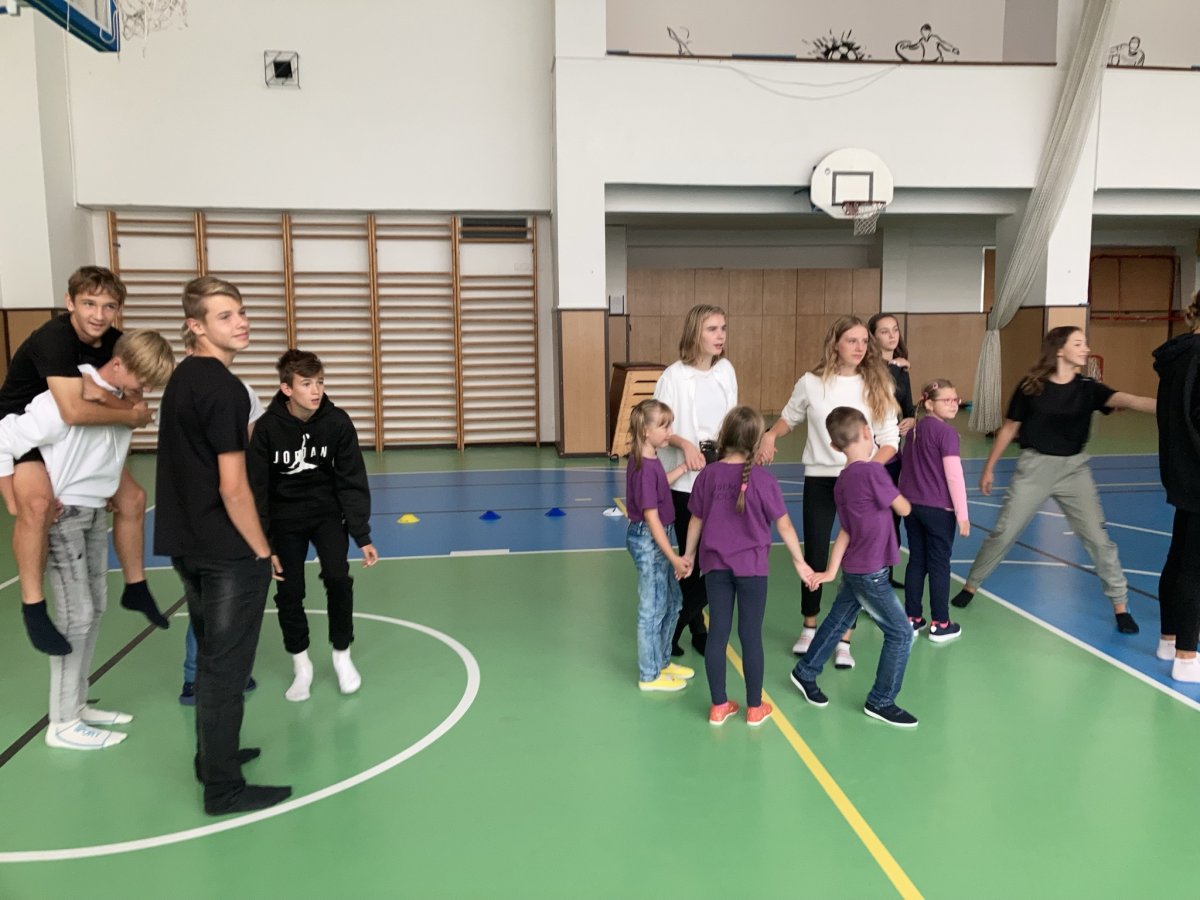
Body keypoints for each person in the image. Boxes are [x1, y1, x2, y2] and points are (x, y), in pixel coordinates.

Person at [155, 275, 291, 815]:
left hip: (188, 544)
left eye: (241, 312)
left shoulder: (184, 378)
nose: (241, 322)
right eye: (225, 315)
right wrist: (261, 548)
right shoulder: (225, 389)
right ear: (195, 326)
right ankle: (223, 788)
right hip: (227, 550)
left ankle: (213, 758)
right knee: (224, 669)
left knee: (213, 657)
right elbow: (233, 487)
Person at [0, 330, 175, 748]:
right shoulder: (63, 401)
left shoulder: (118, 400)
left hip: (95, 510)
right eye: (143, 380)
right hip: (65, 517)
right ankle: (61, 723)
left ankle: (76, 704)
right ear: (119, 364)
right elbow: (4, 437)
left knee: (94, 608)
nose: (145, 391)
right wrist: (13, 500)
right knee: (75, 616)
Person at [0, 266, 163, 655]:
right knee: (37, 505)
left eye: (109, 307)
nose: (98, 315)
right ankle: (33, 606)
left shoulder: (117, 343)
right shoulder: (54, 339)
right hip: (24, 428)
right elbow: (73, 410)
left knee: (133, 498)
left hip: (71, 433)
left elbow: (131, 397)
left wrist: (120, 407)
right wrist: (130, 414)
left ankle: (136, 586)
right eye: (89, 304)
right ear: (69, 303)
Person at [950, 326, 1155, 635]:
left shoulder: (1089, 388)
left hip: (1074, 470)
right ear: (1060, 350)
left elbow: (1129, 399)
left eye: (1085, 343)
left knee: (1098, 539)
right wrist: (988, 467)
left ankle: (1121, 606)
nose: (1086, 349)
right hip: (1034, 468)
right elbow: (1009, 428)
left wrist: (1170, 404)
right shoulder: (1031, 387)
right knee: (1004, 532)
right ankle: (971, 585)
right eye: (1079, 344)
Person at [757, 315, 900, 670]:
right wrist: (770, 435)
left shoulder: (877, 383)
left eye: (864, 341)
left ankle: (844, 638)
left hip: (860, 485)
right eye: (851, 340)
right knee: (817, 554)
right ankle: (809, 625)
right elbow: (789, 417)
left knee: (856, 559)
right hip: (820, 479)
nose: (859, 347)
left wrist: (867, 472)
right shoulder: (811, 383)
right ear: (835, 343)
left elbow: (889, 439)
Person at [249, 349, 378, 701]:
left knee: (338, 578)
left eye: (319, 382)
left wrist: (361, 534)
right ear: (286, 389)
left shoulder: (337, 422)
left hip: (326, 516)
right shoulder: (267, 429)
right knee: (290, 592)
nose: (316, 390)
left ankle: (342, 655)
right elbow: (257, 490)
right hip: (284, 521)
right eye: (306, 383)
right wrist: (265, 542)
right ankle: (301, 665)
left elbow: (352, 480)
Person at [683, 406, 814, 726]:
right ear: (756, 442)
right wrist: (800, 563)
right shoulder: (764, 480)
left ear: (724, 436)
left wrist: (687, 556)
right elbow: (785, 526)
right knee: (750, 636)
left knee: (717, 635)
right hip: (753, 569)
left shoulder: (708, 475)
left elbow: (696, 520)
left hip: (715, 567)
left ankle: (718, 706)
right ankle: (755, 707)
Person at [789, 407, 917, 728]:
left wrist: (831, 570)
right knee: (901, 633)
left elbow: (846, 529)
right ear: (867, 433)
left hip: (855, 567)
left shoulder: (843, 480)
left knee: (838, 620)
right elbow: (904, 508)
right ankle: (881, 701)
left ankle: (805, 671)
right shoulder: (873, 473)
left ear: (834, 446)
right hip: (871, 571)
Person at [177, 323, 264, 705]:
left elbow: (249, 449)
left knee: (220, 605)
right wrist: (262, 547)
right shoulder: (190, 392)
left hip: (220, 515)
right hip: (211, 518)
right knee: (217, 604)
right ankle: (198, 679)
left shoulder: (239, 391)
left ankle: (222, 677)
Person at [653, 304, 737, 657]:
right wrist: (685, 443)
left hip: (721, 476)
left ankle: (680, 627)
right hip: (685, 483)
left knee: (719, 557)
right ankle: (685, 629)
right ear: (695, 333)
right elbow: (658, 427)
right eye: (712, 329)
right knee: (694, 561)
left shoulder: (726, 371)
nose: (720, 335)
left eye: (723, 328)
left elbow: (732, 421)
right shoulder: (673, 376)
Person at [624, 399, 694, 693]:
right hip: (649, 539)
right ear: (645, 430)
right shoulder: (642, 468)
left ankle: (662, 661)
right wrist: (674, 557)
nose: (670, 432)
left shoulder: (650, 460)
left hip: (658, 537)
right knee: (651, 610)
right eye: (664, 426)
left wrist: (683, 467)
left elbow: (660, 484)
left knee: (674, 602)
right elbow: (651, 518)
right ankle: (649, 675)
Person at [899, 379, 969, 641]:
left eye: (955, 399)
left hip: (912, 508)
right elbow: (954, 476)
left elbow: (906, 470)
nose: (953, 404)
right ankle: (941, 622)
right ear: (929, 404)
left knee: (917, 561)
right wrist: (962, 515)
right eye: (946, 400)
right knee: (939, 565)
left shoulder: (914, 432)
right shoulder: (946, 434)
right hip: (939, 510)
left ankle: (912, 618)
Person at [1153, 293, 1200, 681]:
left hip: (1183, 470)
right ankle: (1187, 656)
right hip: (1196, 470)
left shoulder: (1179, 355)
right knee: (1194, 568)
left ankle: (1169, 640)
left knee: (1180, 556)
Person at [869, 312, 915, 587]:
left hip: (893, 453)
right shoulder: (868, 369)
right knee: (875, 516)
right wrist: (894, 366)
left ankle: (886, 573)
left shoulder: (902, 370)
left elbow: (907, 408)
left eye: (894, 329)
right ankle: (869, 575)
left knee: (893, 515)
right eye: (884, 331)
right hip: (872, 453)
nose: (891, 335)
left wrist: (912, 419)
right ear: (873, 337)